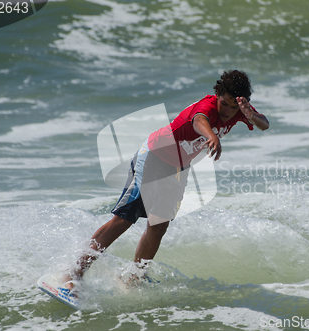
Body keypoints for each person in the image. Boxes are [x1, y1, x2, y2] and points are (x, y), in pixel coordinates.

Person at [64, 70, 269, 290]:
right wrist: (211, 137)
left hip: (177, 169)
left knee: (158, 226)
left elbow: (264, 124)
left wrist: (251, 115)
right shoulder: (206, 107)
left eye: (234, 107)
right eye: (224, 104)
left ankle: (133, 278)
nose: (228, 111)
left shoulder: (240, 109)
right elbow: (199, 120)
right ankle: (73, 274)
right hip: (154, 157)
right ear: (217, 94)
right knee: (124, 219)